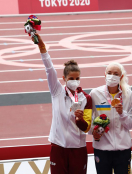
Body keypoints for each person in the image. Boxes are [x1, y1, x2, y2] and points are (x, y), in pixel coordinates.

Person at [32, 33, 92, 174]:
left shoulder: (86, 99)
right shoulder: (57, 91)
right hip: (58, 147)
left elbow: (88, 129)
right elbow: (49, 69)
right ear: (64, 78)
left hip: (78, 148)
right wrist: (42, 47)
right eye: (71, 78)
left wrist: (80, 119)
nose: (74, 81)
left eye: (77, 78)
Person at [88, 62, 132, 174]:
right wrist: (93, 131)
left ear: (121, 77)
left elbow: (131, 124)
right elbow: (88, 119)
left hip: (123, 149)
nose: (112, 76)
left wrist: (122, 113)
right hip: (102, 149)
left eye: (116, 73)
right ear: (105, 75)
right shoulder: (95, 94)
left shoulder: (128, 95)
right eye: (109, 73)